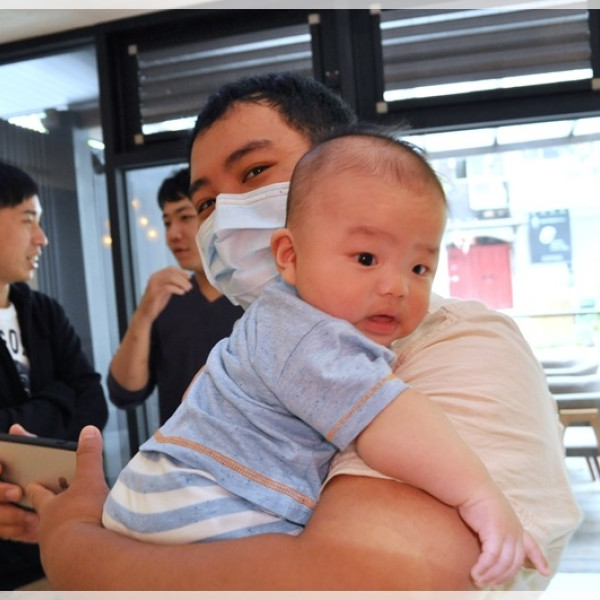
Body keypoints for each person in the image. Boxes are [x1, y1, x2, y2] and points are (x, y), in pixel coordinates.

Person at [16, 73, 580, 591]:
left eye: (255, 172)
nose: (227, 216)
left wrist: (73, 545)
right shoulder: (271, 336)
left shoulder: (464, 343)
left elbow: (358, 581)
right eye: (206, 202)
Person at [0, 161, 108, 589]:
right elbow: (76, 398)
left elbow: (94, 404)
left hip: (69, 544)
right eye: (28, 220)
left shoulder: (43, 311)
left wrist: (20, 427)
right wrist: (59, 398)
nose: (42, 238)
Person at [107, 168, 243, 424]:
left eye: (185, 217)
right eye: (167, 222)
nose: (173, 234)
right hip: (179, 447)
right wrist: (144, 314)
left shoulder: (253, 293)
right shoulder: (166, 298)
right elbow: (124, 392)